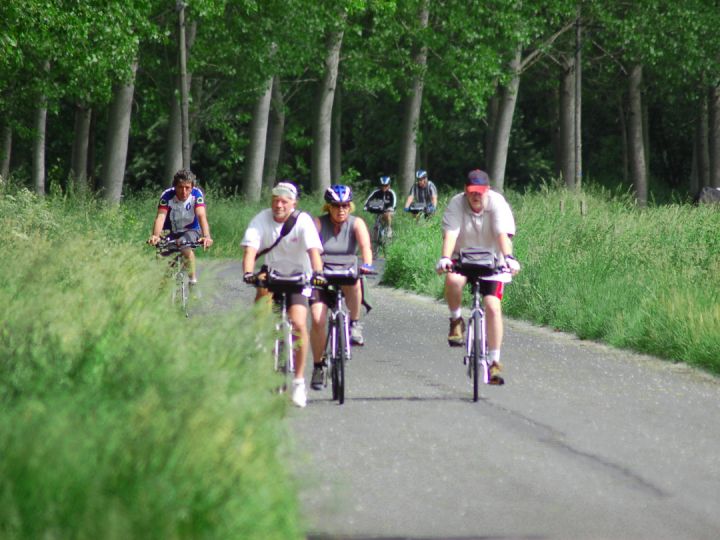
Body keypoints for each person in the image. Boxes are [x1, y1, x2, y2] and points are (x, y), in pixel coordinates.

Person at [241, 181, 324, 408]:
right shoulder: (261, 219)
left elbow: (314, 252)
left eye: (284, 201)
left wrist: (318, 274)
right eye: (275, 200)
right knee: (261, 288)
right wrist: (248, 273)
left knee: (298, 323)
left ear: (293, 203)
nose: (279, 205)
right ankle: (260, 337)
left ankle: (298, 382)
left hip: (299, 277)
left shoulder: (302, 221)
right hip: (274, 274)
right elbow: (250, 249)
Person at [435, 169, 521, 385]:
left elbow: (503, 235)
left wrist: (509, 257)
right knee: (453, 281)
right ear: (466, 191)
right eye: (472, 192)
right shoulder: (456, 204)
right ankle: (456, 320)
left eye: (480, 192)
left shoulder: (497, 204)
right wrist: (445, 258)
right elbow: (451, 234)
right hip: (462, 259)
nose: (476, 196)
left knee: (492, 306)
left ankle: (494, 362)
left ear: (487, 191)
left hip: (492, 262)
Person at [310, 185, 374, 390]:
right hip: (322, 276)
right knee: (318, 319)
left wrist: (367, 264)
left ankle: (354, 324)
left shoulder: (357, 224)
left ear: (350, 206)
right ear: (328, 207)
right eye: (336, 206)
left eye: (345, 206)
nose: (341, 210)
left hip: (347, 274)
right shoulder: (318, 224)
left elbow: (365, 248)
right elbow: (309, 248)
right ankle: (319, 366)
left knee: (355, 281)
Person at [148, 169, 213, 284]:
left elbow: (201, 215)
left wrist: (206, 236)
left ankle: (193, 281)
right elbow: (161, 217)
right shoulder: (167, 195)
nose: (184, 191)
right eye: (180, 187)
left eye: (187, 188)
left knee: (184, 245)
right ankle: (163, 289)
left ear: (192, 187)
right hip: (169, 230)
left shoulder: (197, 194)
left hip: (191, 229)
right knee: (162, 257)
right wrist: (156, 236)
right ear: (174, 186)